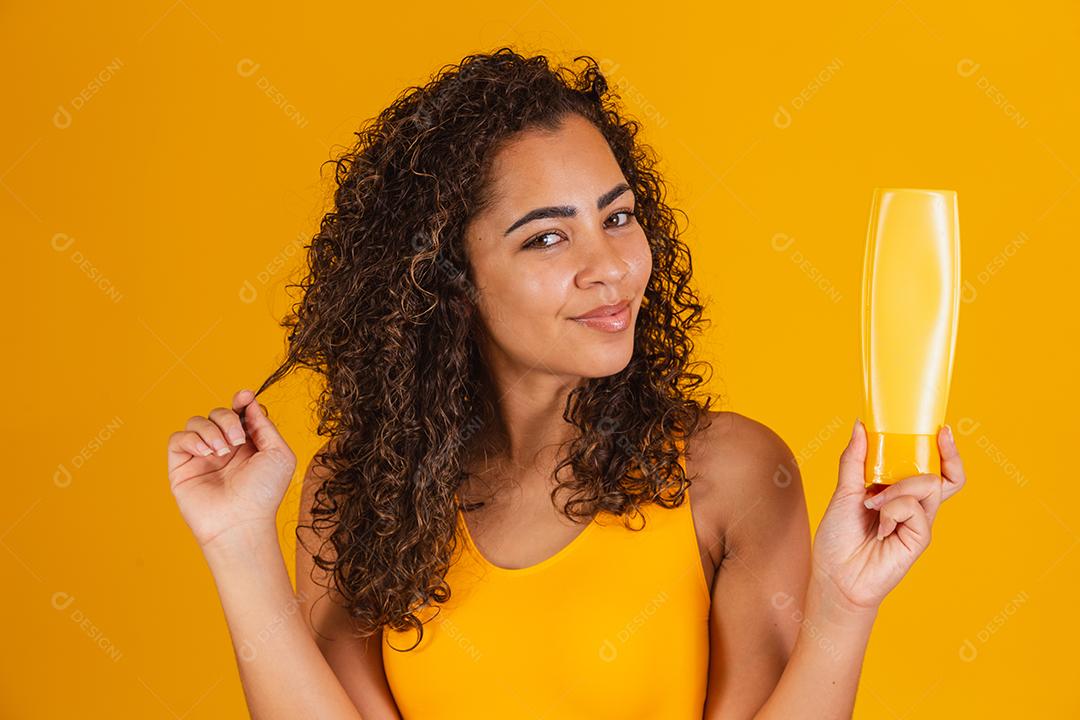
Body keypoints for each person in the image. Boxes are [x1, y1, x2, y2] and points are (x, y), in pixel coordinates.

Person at [165, 47, 967, 719]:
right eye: (549, 237)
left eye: (617, 217)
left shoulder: (732, 473)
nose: (612, 267)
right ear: (447, 279)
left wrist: (844, 604)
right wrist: (237, 545)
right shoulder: (363, 492)